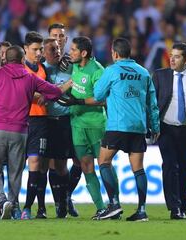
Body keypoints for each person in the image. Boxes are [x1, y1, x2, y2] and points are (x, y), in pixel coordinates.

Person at [0, 45, 71, 220]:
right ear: (22, 60)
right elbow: (54, 92)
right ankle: (13, 206)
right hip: (20, 131)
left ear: (6, 59)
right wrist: (68, 83)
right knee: (15, 170)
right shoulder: (30, 78)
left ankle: (1, 200)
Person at [93, 38, 160, 221]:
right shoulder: (144, 72)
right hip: (138, 127)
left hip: (117, 125)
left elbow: (98, 94)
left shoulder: (112, 70)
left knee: (104, 161)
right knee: (138, 169)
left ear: (114, 53)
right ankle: (141, 211)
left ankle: (114, 204)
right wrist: (155, 126)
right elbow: (152, 103)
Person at [62, 36, 120, 220]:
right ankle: (101, 207)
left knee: (105, 164)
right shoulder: (75, 67)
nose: (70, 53)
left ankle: (115, 204)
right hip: (77, 125)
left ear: (84, 53)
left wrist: (77, 101)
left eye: (73, 50)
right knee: (86, 165)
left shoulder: (97, 71)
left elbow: (103, 99)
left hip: (96, 125)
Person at [153, 42, 186, 220]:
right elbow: (152, 103)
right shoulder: (160, 76)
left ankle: (183, 205)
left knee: (185, 168)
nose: (172, 59)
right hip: (166, 128)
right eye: (171, 55)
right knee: (169, 166)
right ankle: (174, 208)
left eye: (177, 56)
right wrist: (153, 126)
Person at [49, 23, 82, 216]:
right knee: (57, 164)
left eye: (61, 36)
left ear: (66, 39)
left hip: (73, 116)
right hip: (52, 118)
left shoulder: (73, 62)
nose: (58, 39)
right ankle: (60, 203)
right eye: (54, 36)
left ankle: (67, 196)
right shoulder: (43, 63)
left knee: (80, 160)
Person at [42, 37, 73, 218]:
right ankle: (55, 204)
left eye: (58, 49)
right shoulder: (40, 70)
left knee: (61, 165)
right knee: (46, 165)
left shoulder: (70, 67)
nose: (57, 52)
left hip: (64, 120)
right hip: (46, 121)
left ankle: (64, 200)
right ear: (44, 53)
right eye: (52, 49)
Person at [21, 31, 49, 219]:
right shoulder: (19, 68)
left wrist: (44, 95)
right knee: (15, 164)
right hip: (21, 120)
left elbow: (47, 92)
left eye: (40, 49)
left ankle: (30, 207)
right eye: (35, 49)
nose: (39, 53)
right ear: (25, 49)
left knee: (37, 163)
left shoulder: (42, 68)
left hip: (40, 121)